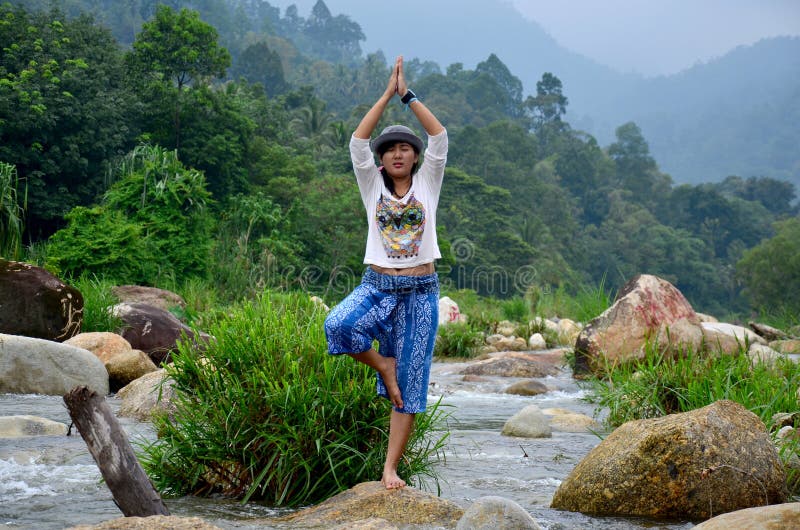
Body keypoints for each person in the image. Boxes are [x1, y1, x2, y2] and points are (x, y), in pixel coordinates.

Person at [324, 55, 447, 490]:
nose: (398, 153)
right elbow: (358, 142)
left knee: (412, 388)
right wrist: (385, 94)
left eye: (405, 148)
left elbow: (440, 134)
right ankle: (383, 365)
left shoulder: (429, 181)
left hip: (420, 292)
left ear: (415, 158)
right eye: (391, 149)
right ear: (383, 158)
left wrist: (407, 96)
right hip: (376, 286)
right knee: (337, 325)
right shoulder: (371, 185)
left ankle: (389, 468)